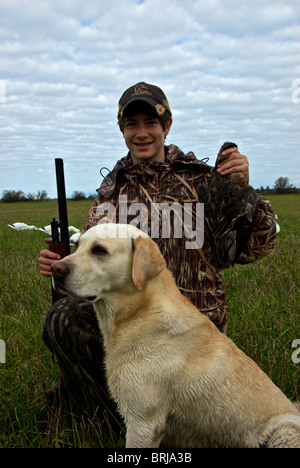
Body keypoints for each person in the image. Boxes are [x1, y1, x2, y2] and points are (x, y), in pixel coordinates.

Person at [39, 82, 276, 413]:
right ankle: (105, 411)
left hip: (192, 330)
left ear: (166, 126)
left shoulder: (202, 182)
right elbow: (90, 274)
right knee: (63, 318)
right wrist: (63, 264)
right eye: (131, 124)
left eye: (150, 123)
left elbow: (254, 248)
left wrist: (244, 191)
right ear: (122, 129)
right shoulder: (110, 194)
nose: (142, 133)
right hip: (132, 324)